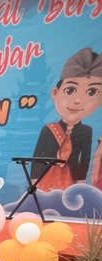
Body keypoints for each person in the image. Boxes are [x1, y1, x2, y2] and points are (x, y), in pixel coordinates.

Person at [33, 48, 102, 190]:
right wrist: (34, 179)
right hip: (46, 176)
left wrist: (81, 179)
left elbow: (85, 157)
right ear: (55, 93)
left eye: (91, 92)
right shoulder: (48, 129)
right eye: (70, 90)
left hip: (71, 178)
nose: (77, 100)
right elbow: (37, 156)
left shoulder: (86, 131)